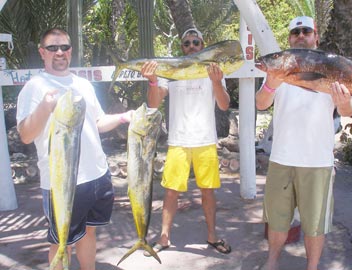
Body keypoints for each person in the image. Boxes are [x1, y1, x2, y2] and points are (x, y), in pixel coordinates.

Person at [16, 28, 133, 270]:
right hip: (62, 183)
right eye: (52, 47)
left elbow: (97, 123)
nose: (59, 52)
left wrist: (124, 117)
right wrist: (45, 107)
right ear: (42, 52)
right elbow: (26, 135)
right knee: (62, 243)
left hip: (97, 176)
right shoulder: (35, 87)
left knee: (89, 233)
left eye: (65, 47)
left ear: (71, 51)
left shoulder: (83, 84)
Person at [255, 16, 352, 270]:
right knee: (277, 219)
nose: (300, 35)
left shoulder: (330, 66)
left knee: (314, 222)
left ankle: (312, 267)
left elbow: (348, 111)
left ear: (316, 36)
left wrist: (344, 100)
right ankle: (271, 262)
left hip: (317, 161)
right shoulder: (280, 71)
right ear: (289, 39)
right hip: (281, 158)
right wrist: (270, 83)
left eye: (306, 31)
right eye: (295, 32)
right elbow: (260, 103)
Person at [140, 28, 231, 255]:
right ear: (182, 47)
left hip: (205, 141)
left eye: (196, 43)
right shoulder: (172, 71)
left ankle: (212, 237)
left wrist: (217, 83)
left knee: (208, 191)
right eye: (187, 43)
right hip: (178, 141)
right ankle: (163, 238)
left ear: (203, 45)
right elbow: (153, 103)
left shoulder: (214, 70)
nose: (191, 47)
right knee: (171, 191)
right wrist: (152, 81)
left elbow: (224, 104)